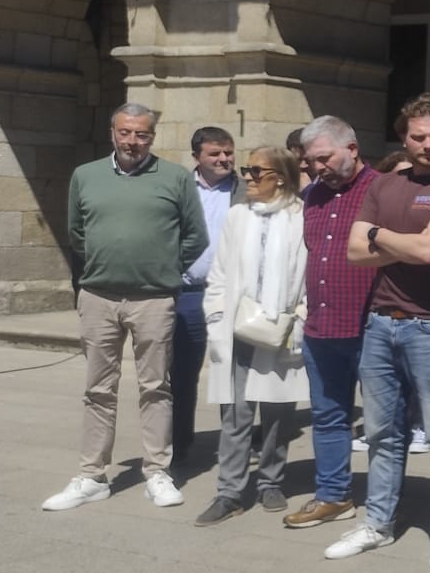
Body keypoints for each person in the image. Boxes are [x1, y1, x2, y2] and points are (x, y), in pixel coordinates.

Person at [323, 94, 430, 571]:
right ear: (404, 137)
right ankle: (377, 523)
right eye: (418, 137)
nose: (428, 145)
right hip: (381, 321)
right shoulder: (384, 185)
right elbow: (353, 252)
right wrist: (401, 244)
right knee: (382, 433)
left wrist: (379, 236)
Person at [44, 103, 209, 512]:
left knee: (156, 387)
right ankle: (91, 475)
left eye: (142, 134)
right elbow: (77, 234)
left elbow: (195, 236)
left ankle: (157, 471)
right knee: (98, 389)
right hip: (99, 297)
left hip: (154, 299)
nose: (133, 141)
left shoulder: (174, 178)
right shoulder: (86, 176)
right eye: (125, 133)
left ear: (152, 137)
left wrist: (162, 268)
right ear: (112, 133)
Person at [194, 146, 309, 525]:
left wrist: (300, 320)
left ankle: (271, 481)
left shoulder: (301, 217)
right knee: (236, 415)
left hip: (281, 329)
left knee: (278, 412)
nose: (247, 177)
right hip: (238, 328)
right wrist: (216, 316)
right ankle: (229, 492)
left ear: (279, 177)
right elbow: (220, 272)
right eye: (247, 170)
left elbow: (307, 276)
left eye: (256, 171)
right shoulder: (237, 216)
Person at [285, 116, 377, 530]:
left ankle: (383, 503)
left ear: (352, 149)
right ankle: (333, 495)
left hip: (371, 326)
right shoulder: (313, 196)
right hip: (322, 326)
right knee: (327, 416)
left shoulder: (382, 190)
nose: (317, 167)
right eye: (310, 161)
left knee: (382, 422)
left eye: (324, 158)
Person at [172, 125, 238, 467]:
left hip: (230, 296)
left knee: (230, 372)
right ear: (197, 156)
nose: (224, 159)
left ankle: (233, 445)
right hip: (187, 293)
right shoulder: (178, 187)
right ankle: (179, 443)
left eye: (228, 152)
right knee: (182, 373)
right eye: (215, 153)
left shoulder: (245, 190)